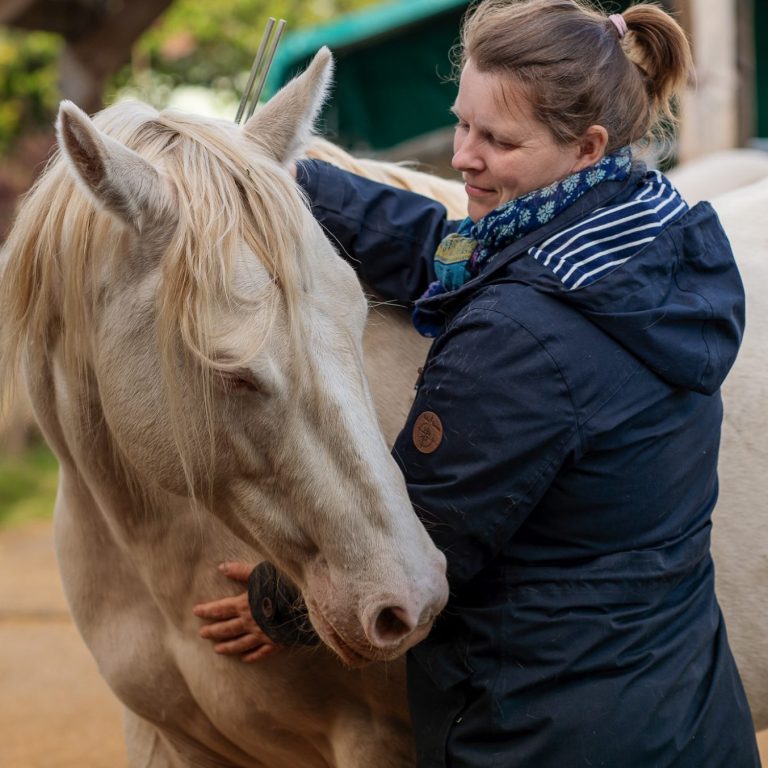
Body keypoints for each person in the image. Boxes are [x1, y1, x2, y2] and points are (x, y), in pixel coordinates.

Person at [193, 1, 761, 764]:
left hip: (545, 733)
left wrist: (278, 603)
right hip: (682, 712)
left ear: (586, 146)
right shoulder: (647, 234)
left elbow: (416, 539)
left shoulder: (519, 341)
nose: (463, 155)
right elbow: (458, 254)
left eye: (497, 139)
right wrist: (285, 178)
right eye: (462, 123)